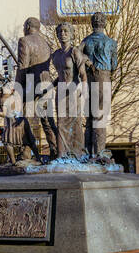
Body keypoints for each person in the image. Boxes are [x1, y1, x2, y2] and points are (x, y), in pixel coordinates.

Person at [16, 17, 57, 159]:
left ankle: (26, 152)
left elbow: (23, 66)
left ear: (27, 26)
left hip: (30, 84)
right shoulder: (47, 43)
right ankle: (56, 150)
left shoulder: (24, 41)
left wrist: (17, 87)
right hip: (46, 83)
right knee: (47, 121)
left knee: (25, 118)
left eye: (23, 26)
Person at [47, 22, 88, 158]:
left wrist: (83, 84)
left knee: (74, 122)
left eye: (65, 31)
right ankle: (62, 154)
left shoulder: (74, 51)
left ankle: (77, 153)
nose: (62, 34)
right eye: (60, 32)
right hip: (61, 91)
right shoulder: (56, 55)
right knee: (61, 123)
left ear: (71, 34)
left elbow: (82, 73)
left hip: (73, 90)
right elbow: (59, 75)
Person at [81, 12, 118, 158]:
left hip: (89, 79)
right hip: (103, 77)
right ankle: (99, 153)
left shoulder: (85, 41)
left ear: (92, 24)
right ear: (104, 24)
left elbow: (76, 54)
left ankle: (88, 152)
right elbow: (114, 65)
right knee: (100, 116)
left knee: (90, 116)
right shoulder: (111, 43)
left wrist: (88, 61)